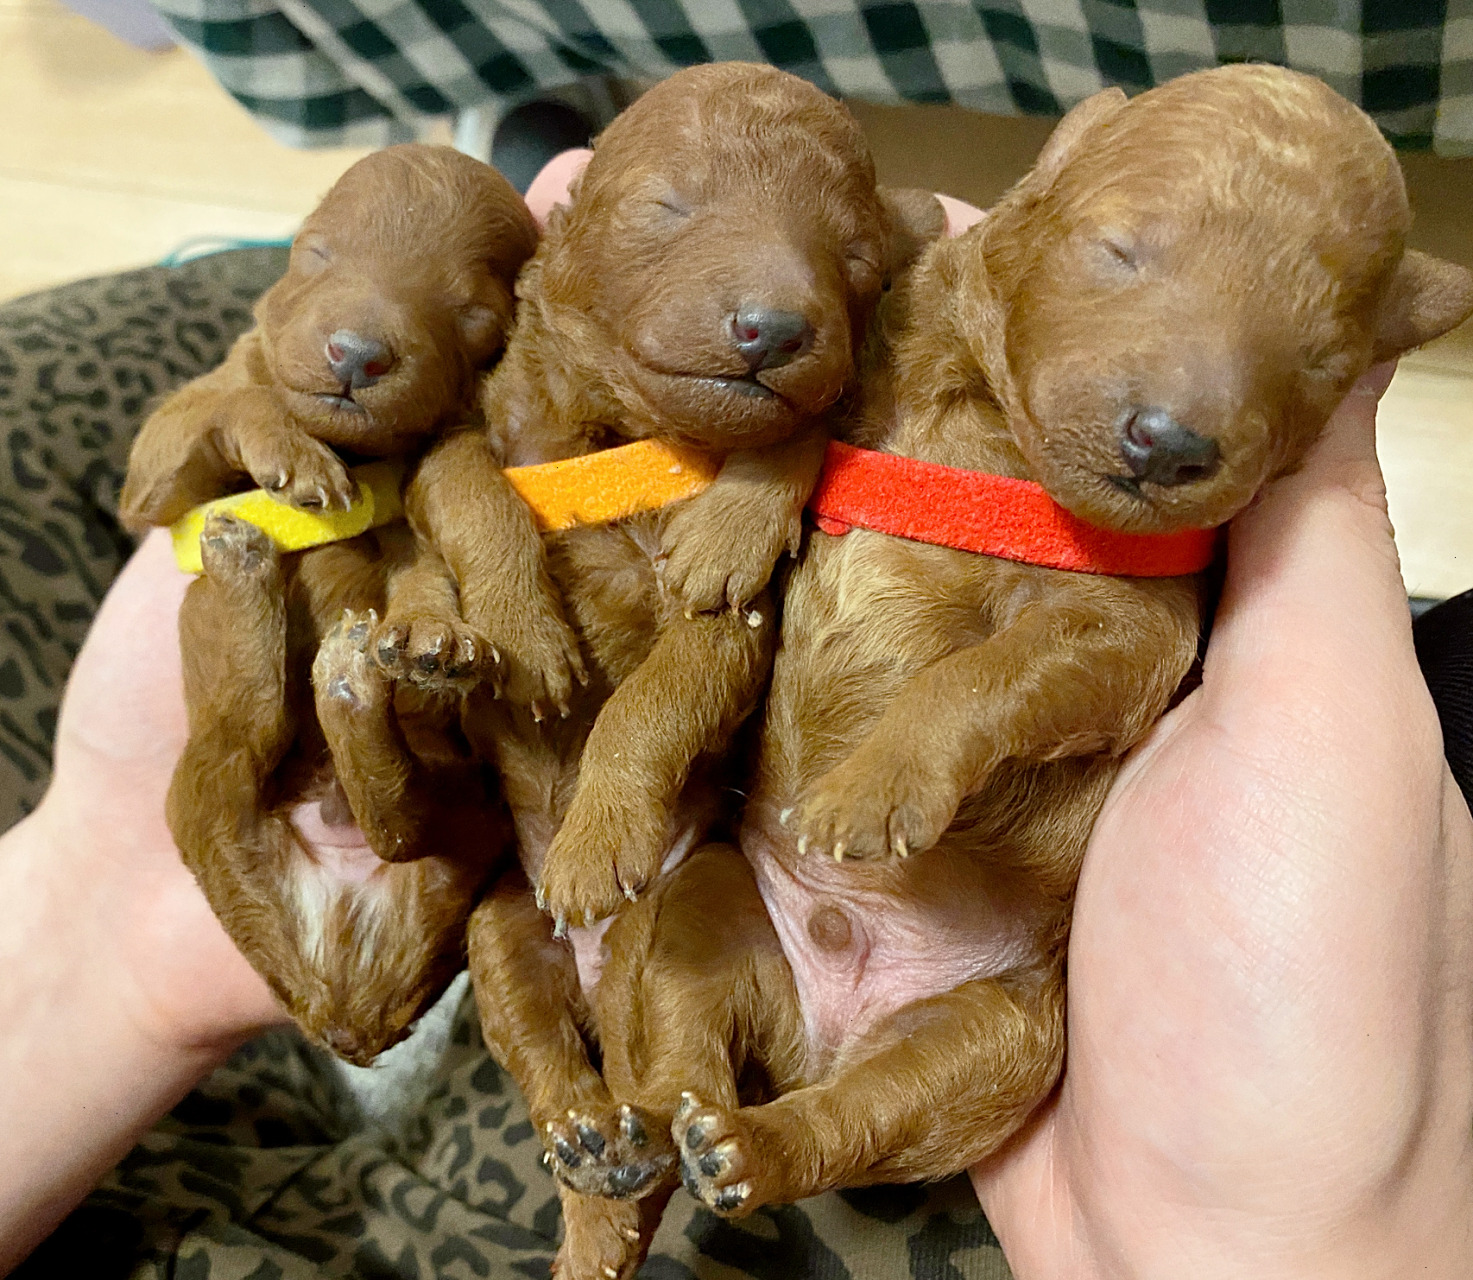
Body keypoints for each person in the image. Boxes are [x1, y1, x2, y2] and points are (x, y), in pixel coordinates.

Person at [3, 167, 1470, 1278]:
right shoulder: (509, 415)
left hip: (948, 947)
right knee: (595, 941)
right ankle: (640, 1147)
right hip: (668, 878)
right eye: (1122, 253)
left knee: (950, 1022)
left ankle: (739, 1144)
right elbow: (254, 485)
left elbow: (741, 612)